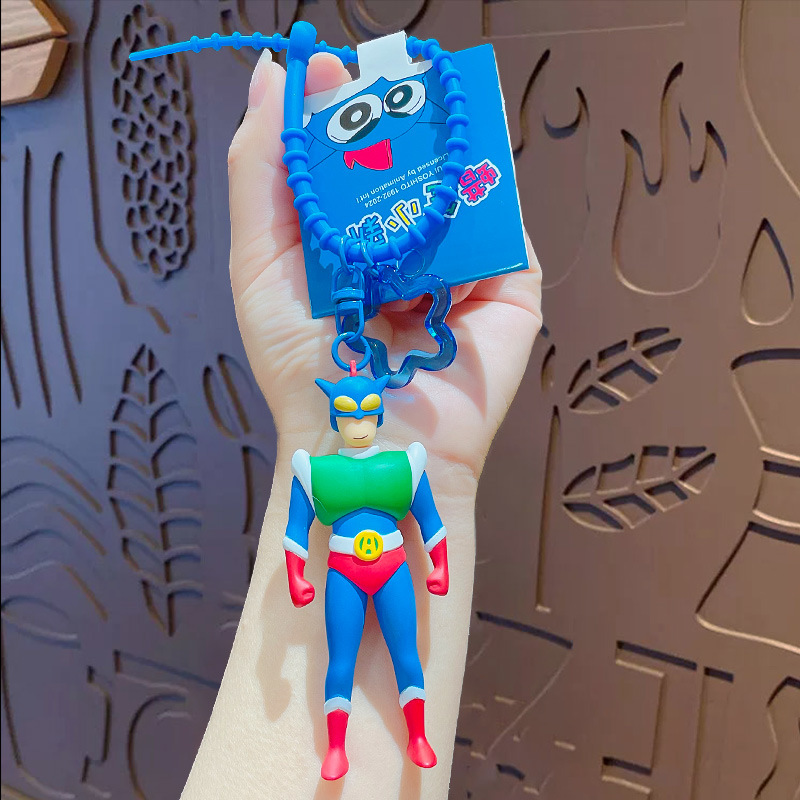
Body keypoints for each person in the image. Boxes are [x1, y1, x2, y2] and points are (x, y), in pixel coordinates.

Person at [180, 49, 542, 800]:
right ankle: (338, 748)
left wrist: (437, 559)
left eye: (359, 409)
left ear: (374, 407)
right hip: (346, 564)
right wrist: (298, 573)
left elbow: (430, 518)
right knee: (340, 663)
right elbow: (297, 533)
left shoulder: (406, 464)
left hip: (387, 564)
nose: (350, 417)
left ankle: (414, 733)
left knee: (407, 656)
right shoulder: (319, 469)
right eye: (342, 410)